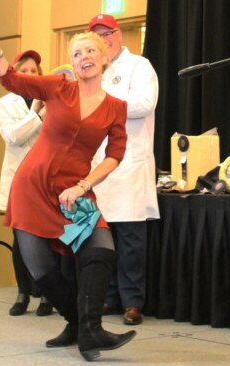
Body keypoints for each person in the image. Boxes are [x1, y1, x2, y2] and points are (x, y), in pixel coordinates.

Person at [0, 7, 135, 361]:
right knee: (41, 270)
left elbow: (115, 154)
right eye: (77, 54)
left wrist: (83, 186)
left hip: (75, 190)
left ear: (104, 57)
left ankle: (89, 329)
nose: (84, 58)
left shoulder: (116, 107)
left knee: (102, 247)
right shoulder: (57, 87)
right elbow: (10, 79)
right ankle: (79, 324)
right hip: (32, 187)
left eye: (91, 50)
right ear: (72, 64)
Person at [88, 14, 159, 326]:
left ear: (119, 35)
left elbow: (144, 103)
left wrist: (104, 101)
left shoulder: (139, 66)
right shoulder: (94, 73)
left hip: (129, 165)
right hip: (100, 168)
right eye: (97, 36)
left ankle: (133, 302)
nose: (103, 40)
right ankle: (110, 297)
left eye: (107, 33)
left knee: (130, 240)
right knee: (106, 239)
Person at [0, 49, 54, 317]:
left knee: (47, 238)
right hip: (18, 179)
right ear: (15, 72)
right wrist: (36, 114)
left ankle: (47, 295)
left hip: (45, 179)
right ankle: (23, 292)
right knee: (20, 239)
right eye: (24, 70)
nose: (30, 75)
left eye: (34, 71)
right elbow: (12, 136)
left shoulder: (51, 98)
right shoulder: (4, 103)